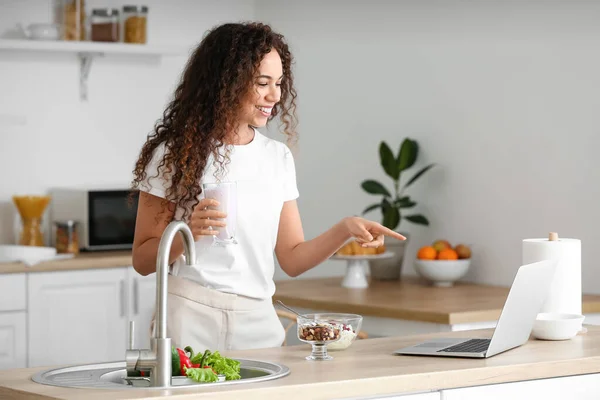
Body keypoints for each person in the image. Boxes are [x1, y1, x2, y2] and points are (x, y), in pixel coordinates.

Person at [130, 22, 406, 352]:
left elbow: (291, 258)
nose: (275, 95)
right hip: (189, 315)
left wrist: (345, 229)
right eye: (263, 83)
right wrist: (187, 232)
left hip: (258, 321)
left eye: (278, 83)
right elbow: (143, 260)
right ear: (226, 83)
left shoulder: (277, 157)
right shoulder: (176, 154)